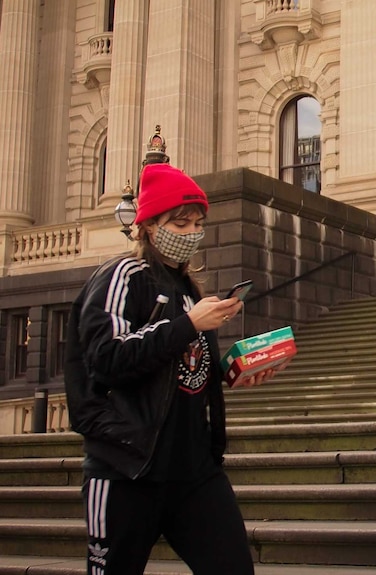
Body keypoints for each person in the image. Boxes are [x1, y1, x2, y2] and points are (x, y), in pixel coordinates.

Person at [64, 163, 273, 574]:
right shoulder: (124, 276)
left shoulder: (188, 292)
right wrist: (189, 324)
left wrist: (235, 372)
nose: (192, 231)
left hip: (194, 471)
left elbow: (184, 372)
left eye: (198, 222)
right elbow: (107, 358)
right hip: (127, 469)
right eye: (180, 223)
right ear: (148, 227)